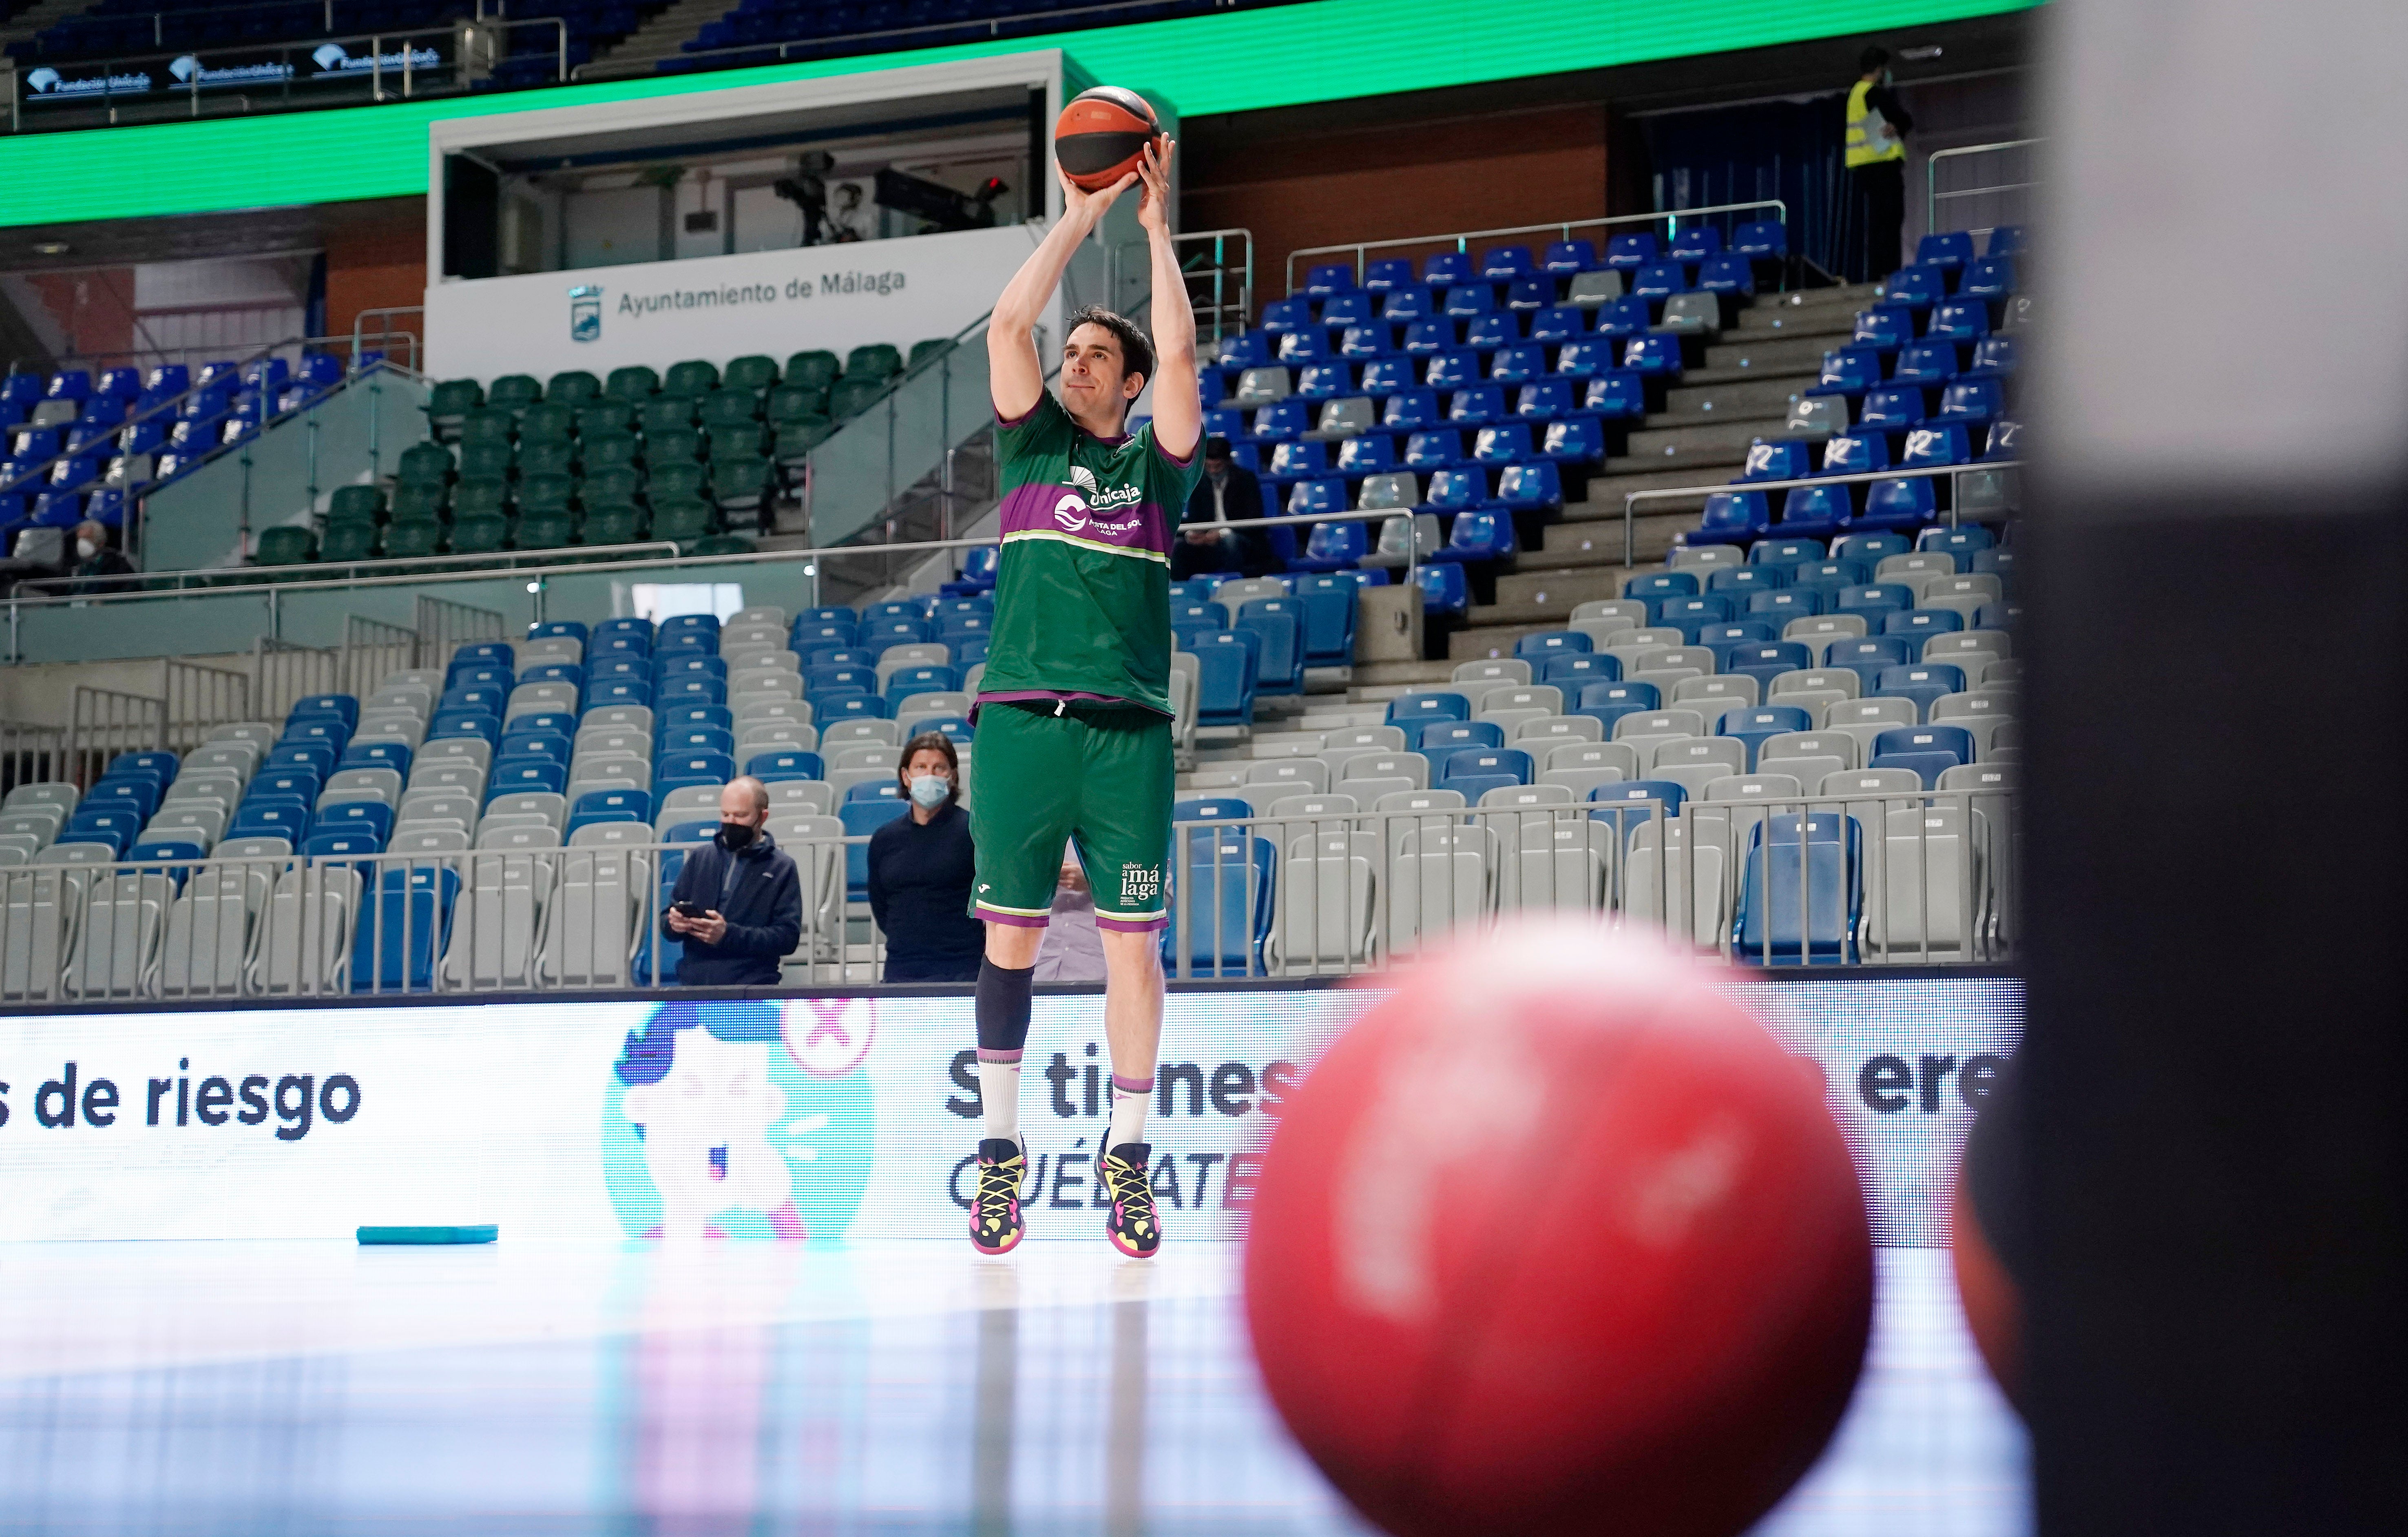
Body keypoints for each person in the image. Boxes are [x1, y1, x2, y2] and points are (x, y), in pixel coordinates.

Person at [965, 132, 1201, 1258]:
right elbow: (1009, 326)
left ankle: (1129, 1157)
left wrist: (1153, 234)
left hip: (1127, 736)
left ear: (1129, 380)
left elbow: (1187, 361)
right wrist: (1079, 216)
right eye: (1075, 356)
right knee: (1009, 942)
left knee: (1132, 953)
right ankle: (1001, 1158)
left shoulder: (1158, 467)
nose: (1075, 364)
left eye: (1099, 356)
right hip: (1019, 722)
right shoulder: (1028, 454)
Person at [867, 731, 983, 983]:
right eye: (921, 767)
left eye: (938, 767)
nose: (929, 774)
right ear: (906, 777)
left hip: (964, 969)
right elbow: (881, 905)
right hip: (902, 969)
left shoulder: (974, 831)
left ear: (952, 776)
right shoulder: (885, 839)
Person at [662, 777, 802, 987]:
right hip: (694, 986)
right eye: (725, 814)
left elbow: (787, 938)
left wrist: (728, 935)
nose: (731, 822)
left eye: (740, 815)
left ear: (762, 817)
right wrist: (674, 924)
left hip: (753, 989)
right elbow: (668, 919)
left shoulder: (782, 867)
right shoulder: (701, 857)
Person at [1846, 45, 1914, 281]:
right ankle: (1891, 272)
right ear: (1879, 69)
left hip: (1865, 165)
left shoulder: (1856, 94)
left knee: (1878, 222)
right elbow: (1904, 119)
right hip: (1882, 164)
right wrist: (1899, 125)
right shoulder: (1872, 93)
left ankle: (1878, 273)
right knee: (1891, 218)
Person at [1173, 436, 1274, 580]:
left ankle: (1233, 583)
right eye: (1209, 467)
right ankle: (1181, 591)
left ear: (1229, 462)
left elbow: (1254, 520)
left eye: (1218, 466)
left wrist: (1221, 534)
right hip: (1208, 544)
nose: (1213, 471)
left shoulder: (1246, 480)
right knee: (1179, 546)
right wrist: (1193, 534)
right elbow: (1195, 519)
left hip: (1243, 541)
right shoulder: (1199, 483)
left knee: (1231, 541)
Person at [1032, 843, 1106, 983]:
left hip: (1097, 962)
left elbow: (1150, 894)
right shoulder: (1026, 829)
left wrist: (1093, 881)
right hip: (1039, 964)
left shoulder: (1117, 829)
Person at [67, 520, 133, 596]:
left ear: (101, 543)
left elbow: (131, 587)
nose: (82, 544)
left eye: (87, 539)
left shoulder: (115, 563)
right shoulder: (75, 564)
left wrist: (106, 601)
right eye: (80, 539)